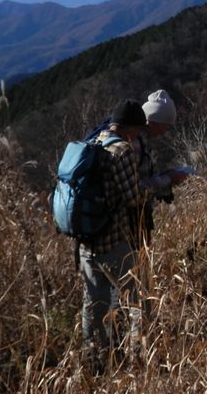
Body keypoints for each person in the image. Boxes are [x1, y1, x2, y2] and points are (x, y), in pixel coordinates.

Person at [79, 99, 148, 374]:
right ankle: (136, 360)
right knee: (135, 299)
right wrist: (157, 186)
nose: (139, 136)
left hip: (86, 242)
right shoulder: (122, 151)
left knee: (93, 302)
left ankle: (93, 362)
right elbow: (133, 198)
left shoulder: (91, 144)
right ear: (129, 128)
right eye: (138, 130)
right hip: (113, 241)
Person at [128, 89, 189, 250]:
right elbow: (134, 189)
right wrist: (169, 179)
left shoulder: (141, 140)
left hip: (134, 220)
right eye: (165, 127)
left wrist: (165, 180)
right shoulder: (134, 143)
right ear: (153, 122)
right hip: (127, 224)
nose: (164, 132)